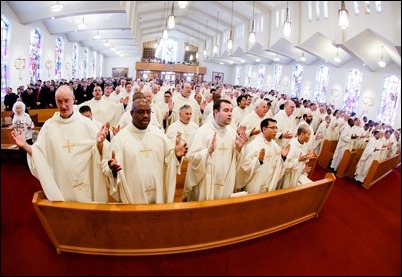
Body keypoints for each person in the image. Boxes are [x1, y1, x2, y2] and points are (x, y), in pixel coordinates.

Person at [11, 85, 110, 203]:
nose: (63, 105)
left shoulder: (85, 123)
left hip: (86, 181)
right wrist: (25, 146)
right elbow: (39, 152)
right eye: (59, 101)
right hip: (62, 181)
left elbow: (101, 151)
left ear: (73, 99)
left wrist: (99, 144)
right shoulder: (49, 126)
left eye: (67, 101)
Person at [104, 98, 188, 204]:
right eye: (140, 112)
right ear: (131, 113)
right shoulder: (120, 139)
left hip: (158, 193)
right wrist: (113, 170)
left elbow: (169, 159)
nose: (145, 115)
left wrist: (176, 155)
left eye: (148, 112)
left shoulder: (159, 134)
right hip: (134, 196)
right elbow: (109, 167)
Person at [183, 99, 247, 201]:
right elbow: (192, 158)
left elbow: (236, 160)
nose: (230, 114)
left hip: (226, 181)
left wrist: (238, 149)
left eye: (231, 111)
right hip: (206, 182)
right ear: (216, 112)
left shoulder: (232, 133)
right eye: (226, 110)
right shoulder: (203, 132)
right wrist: (207, 152)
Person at [236, 118, 290, 194]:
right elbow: (245, 166)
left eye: (276, 128)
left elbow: (278, 165)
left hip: (269, 183)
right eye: (272, 128)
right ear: (264, 129)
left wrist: (283, 157)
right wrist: (259, 161)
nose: (275, 131)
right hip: (254, 184)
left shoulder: (275, 146)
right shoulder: (254, 145)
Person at [279, 124, 316, 189]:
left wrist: (307, 158)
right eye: (309, 134)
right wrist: (298, 160)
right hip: (288, 177)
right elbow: (286, 166)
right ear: (302, 134)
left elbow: (302, 161)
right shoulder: (292, 145)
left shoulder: (304, 145)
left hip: (297, 175)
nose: (310, 137)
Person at [11, 101, 34, 168]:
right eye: (17, 108)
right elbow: (13, 124)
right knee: (22, 150)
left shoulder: (26, 115)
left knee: (29, 149)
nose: (18, 109)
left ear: (22, 108)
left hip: (27, 136)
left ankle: (32, 162)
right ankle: (24, 163)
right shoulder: (14, 116)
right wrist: (12, 126)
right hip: (19, 136)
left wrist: (30, 126)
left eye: (20, 108)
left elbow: (31, 123)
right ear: (15, 109)